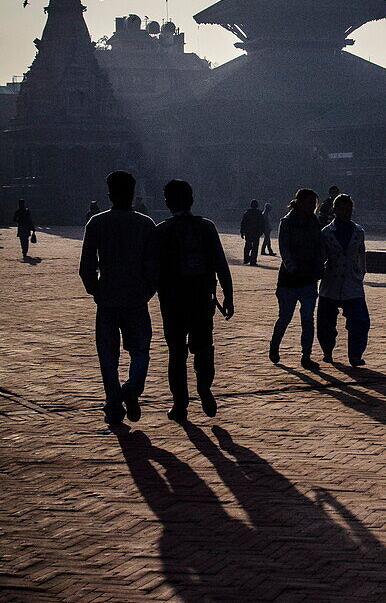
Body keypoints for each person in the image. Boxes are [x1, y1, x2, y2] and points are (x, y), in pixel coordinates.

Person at [79, 171, 158, 425]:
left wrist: (96, 290)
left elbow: (87, 266)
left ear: (110, 194)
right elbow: (154, 265)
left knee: (108, 356)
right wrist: (148, 290)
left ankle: (114, 402)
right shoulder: (145, 224)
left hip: (108, 299)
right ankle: (132, 388)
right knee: (140, 351)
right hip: (136, 298)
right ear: (132, 194)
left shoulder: (97, 223)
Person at [156, 179, 234, 423]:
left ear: (167, 203)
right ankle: (204, 387)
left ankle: (180, 405)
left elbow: (154, 270)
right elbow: (221, 264)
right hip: (201, 298)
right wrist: (228, 295)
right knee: (203, 347)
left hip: (172, 302)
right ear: (191, 201)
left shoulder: (162, 231)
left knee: (177, 353)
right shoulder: (206, 227)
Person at [269, 188, 324, 370]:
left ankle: (306, 355)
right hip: (289, 279)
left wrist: (318, 266)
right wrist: (292, 267)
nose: (312, 207)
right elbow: (284, 249)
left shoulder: (314, 222)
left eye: (314, 203)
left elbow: (318, 247)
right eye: (309, 203)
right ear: (299, 202)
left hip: (308, 278)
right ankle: (275, 346)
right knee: (284, 317)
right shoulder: (287, 222)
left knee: (307, 319)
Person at [317, 194, 370, 367]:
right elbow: (321, 255)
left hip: (352, 281)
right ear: (334, 210)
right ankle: (327, 350)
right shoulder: (326, 232)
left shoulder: (358, 231)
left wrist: (361, 273)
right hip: (330, 281)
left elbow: (361, 255)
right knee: (326, 323)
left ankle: (355, 355)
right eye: (341, 208)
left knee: (359, 322)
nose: (345, 212)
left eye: (348, 209)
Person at [239, 199, 266, 265]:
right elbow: (262, 224)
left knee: (247, 245)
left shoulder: (247, 213)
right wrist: (261, 232)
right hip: (256, 233)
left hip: (248, 232)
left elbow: (243, 223)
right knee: (255, 247)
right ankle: (253, 260)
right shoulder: (259, 214)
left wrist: (242, 232)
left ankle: (246, 259)